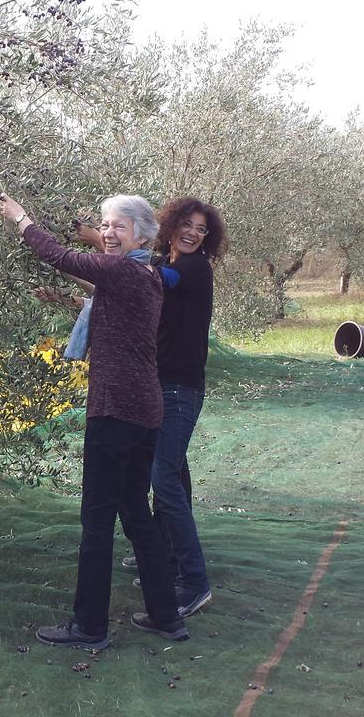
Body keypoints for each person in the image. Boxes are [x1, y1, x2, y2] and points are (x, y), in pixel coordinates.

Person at [0, 192, 188, 648]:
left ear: (142, 234)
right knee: (136, 513)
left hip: (115, 411)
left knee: (97, 520)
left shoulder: (123, 270)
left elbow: (55, 254)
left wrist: (20, 217)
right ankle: (166, 615)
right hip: (145, 410)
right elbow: (105, 298)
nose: (107, 233)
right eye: (104, 225)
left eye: (118, 227)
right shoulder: (146, 274)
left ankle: (89, 627)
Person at [136, 197, 227, 619]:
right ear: (170, 225)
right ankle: (166, 560)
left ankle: (194, 583)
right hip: (161, 386)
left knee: (164, 481)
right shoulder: (163, 263)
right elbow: (130, 287)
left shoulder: (193, 269)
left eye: (202, 228)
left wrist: (99, 246)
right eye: (188, 224)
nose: (194, 232)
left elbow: (150, 280)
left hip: (179, 390)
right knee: (173, 474)